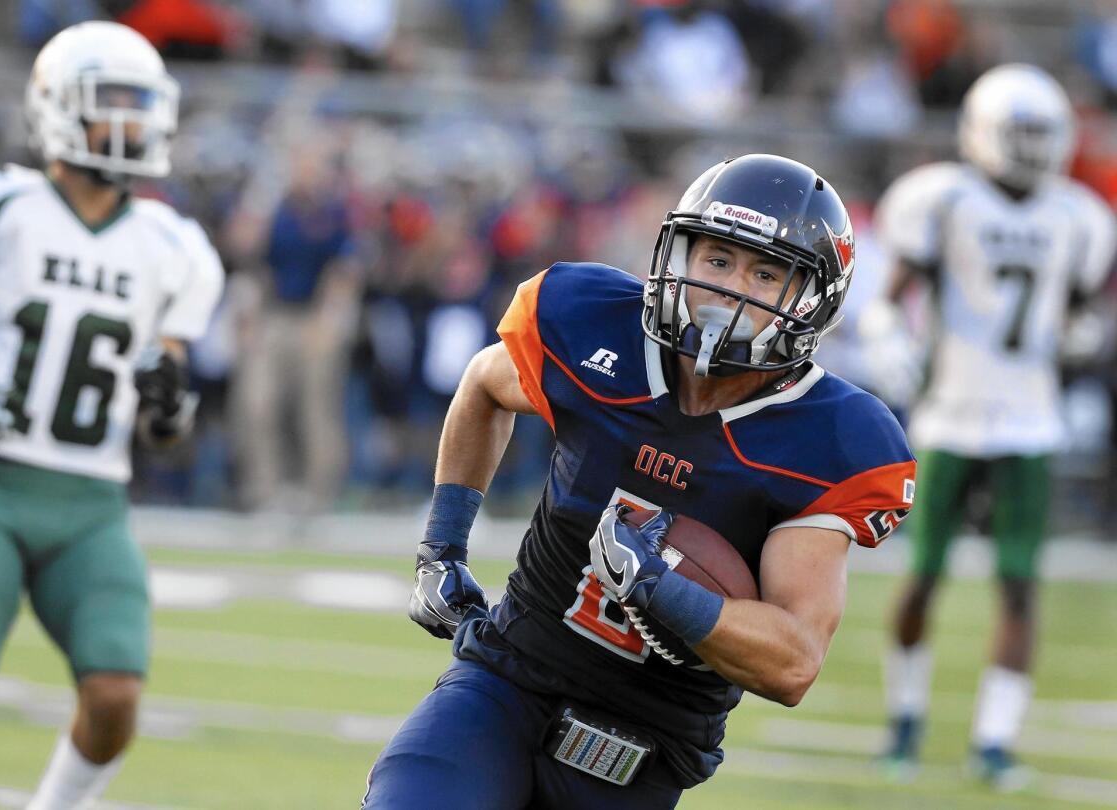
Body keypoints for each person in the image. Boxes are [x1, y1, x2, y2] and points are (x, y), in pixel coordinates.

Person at [362, 153, 916, 809]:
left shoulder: (830, 436)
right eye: (716, 260)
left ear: (813, 299)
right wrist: (442, 548)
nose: (730, 289)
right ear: (676, 257)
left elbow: (793, 661)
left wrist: (662, 590)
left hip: (647, 743)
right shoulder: (599, 327)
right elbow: (484, 383)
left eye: (765, 273)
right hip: (509, 677)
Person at [0, 22, 223, 810]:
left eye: (140, 106)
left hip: (92, 503)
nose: (129, 124)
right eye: (110, 103)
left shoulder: (174, 246)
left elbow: (165, 425)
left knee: (117, 696)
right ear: (56, 110)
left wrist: (169, 406)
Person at [869, 63, 1116, 789]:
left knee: (1018, 584)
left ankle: (994, 741)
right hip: (950, 413)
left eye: (1041, 134)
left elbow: (1076, 316)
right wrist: (886, 336)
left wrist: (1079, 341)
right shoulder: (945, 199)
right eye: (1020, 132)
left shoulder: (1078, 216)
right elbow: (892, 295)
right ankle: (905, 722)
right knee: (923, 575)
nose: (1030, 148)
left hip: (1030, 420)